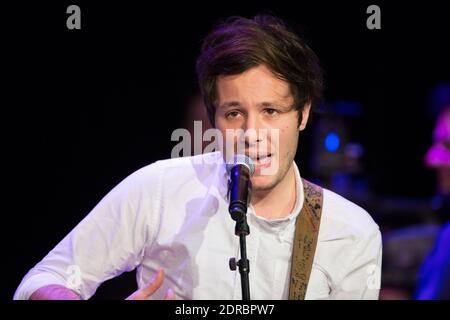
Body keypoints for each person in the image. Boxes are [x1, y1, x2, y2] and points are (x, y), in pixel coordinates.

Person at [14, 14, 382, 300]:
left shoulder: (351, 233)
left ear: (302, 114)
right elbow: (44, 280)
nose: (252, 134)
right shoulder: (159, 190)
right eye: (234, 113)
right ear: (214, 120)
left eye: (271, 110)